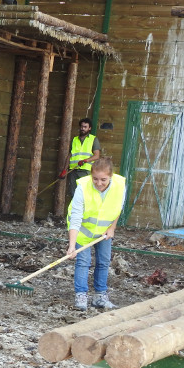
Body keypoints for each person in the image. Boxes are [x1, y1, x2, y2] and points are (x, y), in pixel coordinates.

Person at [66, 157, 125, 311]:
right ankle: (81, 295)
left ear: (111, 176)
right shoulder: (83, 187)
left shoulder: (119, 186)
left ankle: (100, 296)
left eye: (103, 180)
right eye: (95, 179)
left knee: (104, 261)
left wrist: (112, 228)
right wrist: (72, 245)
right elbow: (76, 217)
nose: (99, 183)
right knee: (83, 262)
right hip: (83, 231)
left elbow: (118, 208)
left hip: (104, 231)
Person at [64, 117, 101, 200]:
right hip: (73, 170)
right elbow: (70, 155)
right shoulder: (74, 140)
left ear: (89, 128)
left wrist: (85, 161)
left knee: (84, 194)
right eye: (81, 126)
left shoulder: (93, 139)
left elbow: (97, 155)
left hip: (86, 171)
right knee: (73, 194)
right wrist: (64, 169)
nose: (82, 129)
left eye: (85, 127)